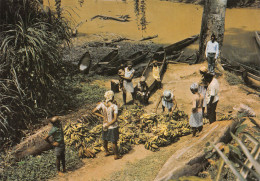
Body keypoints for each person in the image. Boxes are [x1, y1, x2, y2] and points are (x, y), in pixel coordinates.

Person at [92, 90, 121, 160]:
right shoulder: (114, 106)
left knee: (105, 139)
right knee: (114, 141)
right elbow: (115, 119)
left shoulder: (102, 104)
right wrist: (109, 124)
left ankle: (106, 151)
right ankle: (116, 155)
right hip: (112, 126)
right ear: (112, 97)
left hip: (104, 125)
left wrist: (103, 117)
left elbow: (93, 111)